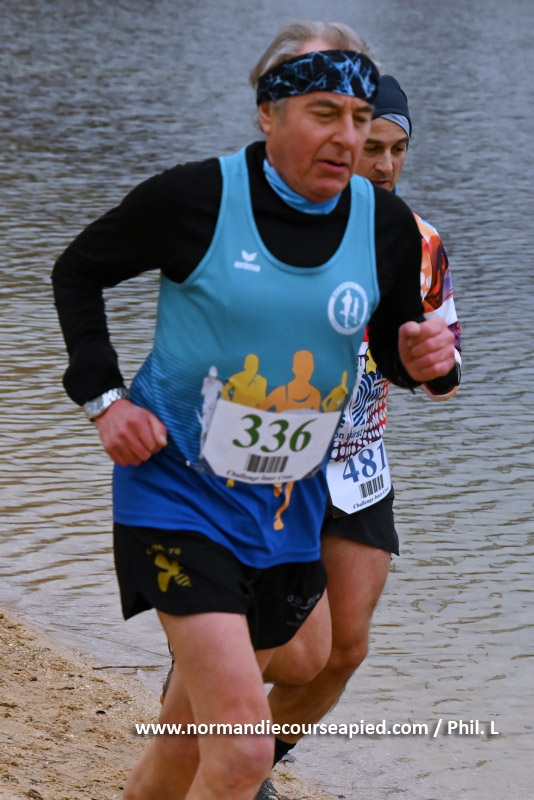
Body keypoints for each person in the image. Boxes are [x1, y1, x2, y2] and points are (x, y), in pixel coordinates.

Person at [52, 18, 457, 800]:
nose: (349, 138)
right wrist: (103, 398)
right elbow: (77, 271)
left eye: (360, 117)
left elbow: (395, 344)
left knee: (200, 736)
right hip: (175, 493)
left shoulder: (385, 224)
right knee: (241, 755)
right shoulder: (196, 198)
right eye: (323, 112)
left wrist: (421, 361)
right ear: (268, 113)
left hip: (286, 506)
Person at [256, 73, 462, 800]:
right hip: (271, 462)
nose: (384, 164)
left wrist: (433, 364)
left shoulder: (423, 243)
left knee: (344, 650)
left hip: (359, 465)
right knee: (279, 648)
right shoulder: (279, 229)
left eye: (397, 149)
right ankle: (209, 741)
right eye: (371, 147)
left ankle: (256, 762)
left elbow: (445, 377)